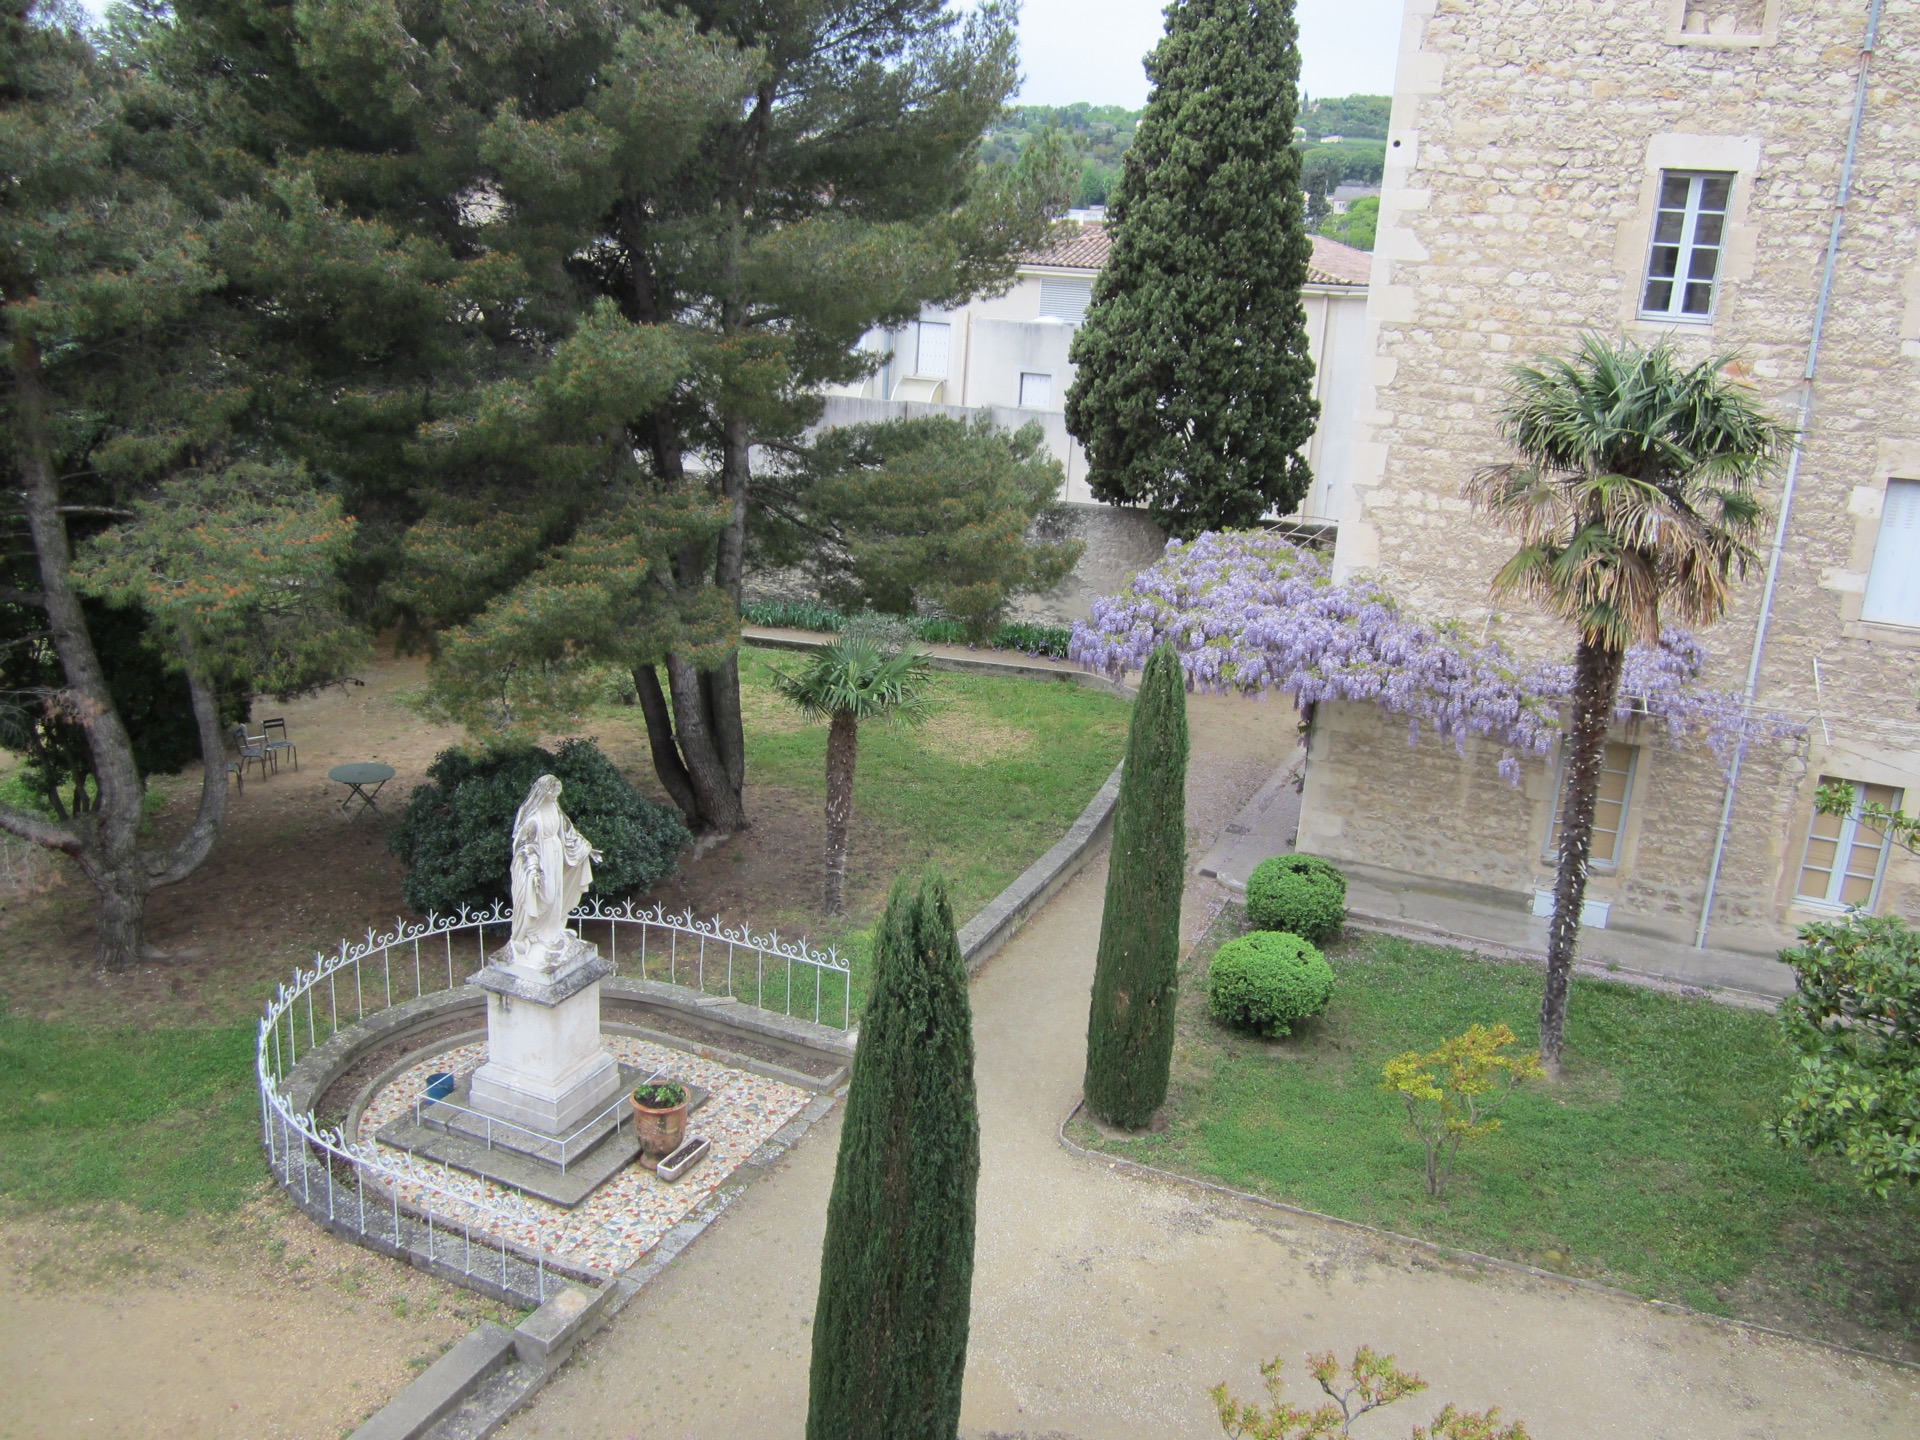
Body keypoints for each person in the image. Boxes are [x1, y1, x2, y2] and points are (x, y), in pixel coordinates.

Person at [506, 775, 604, 969]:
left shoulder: (555, 808)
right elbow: (524, 847)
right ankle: (531, 934)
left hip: (556, 855)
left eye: (557, 795)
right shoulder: (532, 819)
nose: (555, 798)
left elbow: (568, 832)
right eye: (552, 795)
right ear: (543, 793)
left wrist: (586, 849)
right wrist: (533, 869)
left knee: (557, 894)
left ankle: (552, 932)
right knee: (546, 896)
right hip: (543, 860)